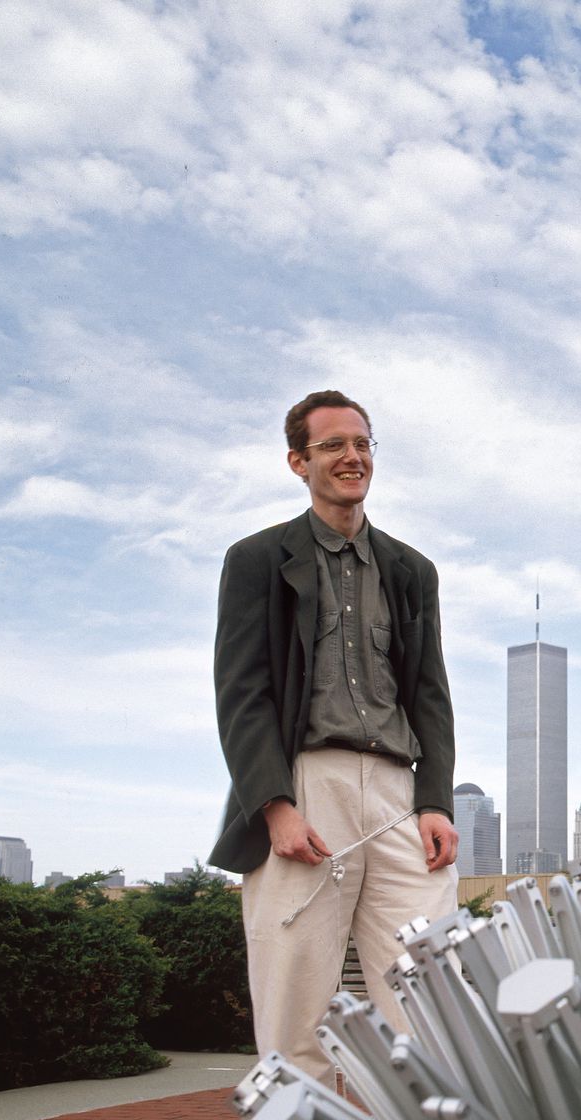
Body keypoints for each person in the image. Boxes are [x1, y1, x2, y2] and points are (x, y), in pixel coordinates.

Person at [208, 389, 458, 1083]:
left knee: (428, 994)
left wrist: (434, 800)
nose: (353, 457)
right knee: (297, 1014)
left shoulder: (412, 570)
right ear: (298, 461)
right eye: (333, 446)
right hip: (305, 788)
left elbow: (430, 695)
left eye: (362, 443)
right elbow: (242, 691)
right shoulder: (257, 560)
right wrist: (273, 804)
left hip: (399, 795)